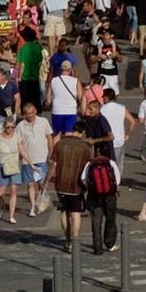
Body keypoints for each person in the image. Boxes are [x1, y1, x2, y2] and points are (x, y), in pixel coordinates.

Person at [50, 124, 93, 253]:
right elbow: (88, 167)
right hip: (77, 185)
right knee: (76, 213)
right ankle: (75, 240)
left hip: (61, 184)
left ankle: (68, 241)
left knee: (64, 212)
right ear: (82, 132)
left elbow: (54, 165)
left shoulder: (60, 144)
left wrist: (46, 181)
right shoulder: (84, 147)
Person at [0, 115, 27, 223]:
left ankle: (11, 216)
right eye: (8, 127)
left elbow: (22, 151)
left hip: (14, 166)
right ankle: (1, 205)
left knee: (13, 191)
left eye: (12, 127)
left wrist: (30, 163)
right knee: (1, 193)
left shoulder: (17, 137)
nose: (10, 129)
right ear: (4, 127)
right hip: (2, 166)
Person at [84, 141, 121, 255]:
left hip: (94, 196)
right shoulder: (111, 163)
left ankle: (97, 247)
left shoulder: (90, 164)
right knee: (110, 219)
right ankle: (110, 243)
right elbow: (117, 180)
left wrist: (90, 187)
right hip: (109, 195)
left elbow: (83, 178)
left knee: (96, 222)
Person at [18, 101, 53, 217]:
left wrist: (51, 152)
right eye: (27, 113)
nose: (30, 115)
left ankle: (41, 201)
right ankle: (32, 207)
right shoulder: (21, 126)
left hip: (42, 158)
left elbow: (49, 137)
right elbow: (18, 143)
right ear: (24, 114)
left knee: (41, 183)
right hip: (28, 160)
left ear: (35, 111)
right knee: (30, 184)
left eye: (32, 113)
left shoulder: (43, 122)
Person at [48, 58, 83, 135]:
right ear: (70, 70)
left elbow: (48, 99)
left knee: (56, 135)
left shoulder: (53, 80)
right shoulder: (76, 81)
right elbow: (81, 98)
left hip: (57, 110)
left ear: (61, 69)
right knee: (69, 134)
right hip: (71, 111)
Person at [16, 26, 45, 112]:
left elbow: (22, 64)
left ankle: (27, 114)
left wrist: (19, 77)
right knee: (35, 98)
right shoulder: (38, 47)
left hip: (26, 77)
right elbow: (40, 61)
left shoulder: (23, 49)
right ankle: (36, 113)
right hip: (35, 76)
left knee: (26, 100)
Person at [99, 88, 129, 164]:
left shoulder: (102, 109)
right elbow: (133, 122)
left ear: (107, 97)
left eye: (103, 97)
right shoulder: (122, 108)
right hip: (119, 140)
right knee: (118, 164)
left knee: (107, 163)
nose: (102, 98)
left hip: (106, 141)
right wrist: (128, 134)